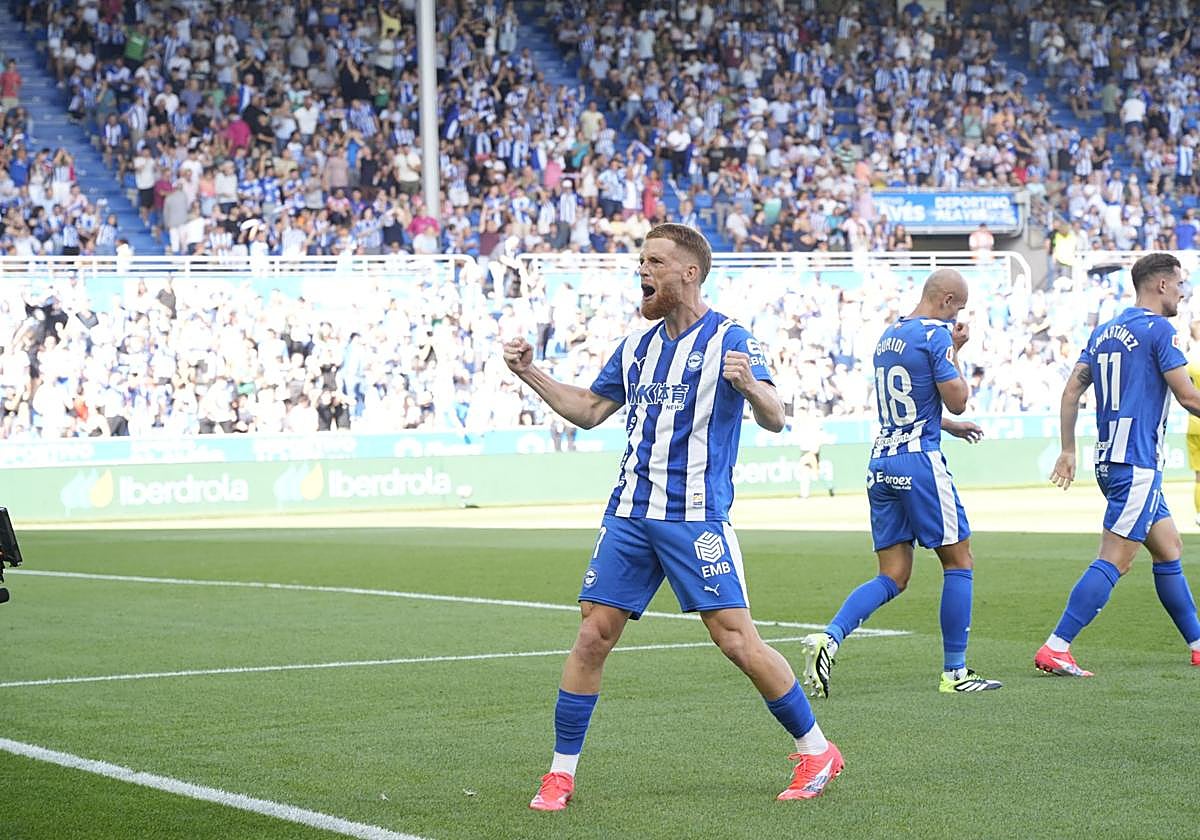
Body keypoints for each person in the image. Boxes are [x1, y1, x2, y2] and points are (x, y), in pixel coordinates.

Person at [503, 223, 842, 811]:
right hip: (630, 514)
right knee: (591, 636)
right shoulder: (637, 347)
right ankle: (560, 774)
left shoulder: (731, 339)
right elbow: (586, 410)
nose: (643, 272)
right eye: (641, 261)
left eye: (654, 262)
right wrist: (529, 373)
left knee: (737, 642)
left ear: (689, 272)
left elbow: (776, 416)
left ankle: (817, 749)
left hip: (695, 518)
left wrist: (752, 389)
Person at [800, 269, 1003, 696]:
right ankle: (956, 673)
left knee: (892, 575)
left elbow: (908, 402)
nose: (958, 317)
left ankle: (829, 638)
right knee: (959, 561)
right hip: (919, 464)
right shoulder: (935, 336)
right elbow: (958, 396)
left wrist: (947, 426)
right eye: (958, 308)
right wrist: (957, 350)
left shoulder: (889, 336)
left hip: (882, 462)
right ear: (946, 300)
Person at [1038, 252, 1200, 676]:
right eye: (1180, 283)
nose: (1184, 290)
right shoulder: (1160, 330)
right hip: (1138, 463)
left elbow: (1071, 392)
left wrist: (1068, 448)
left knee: (1169, 550)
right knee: (1116, 559)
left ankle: (1198, 643)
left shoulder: (1105, 331)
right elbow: (1188, 396)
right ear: (1161, 284)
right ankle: (1057, 646)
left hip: (1111, 460)